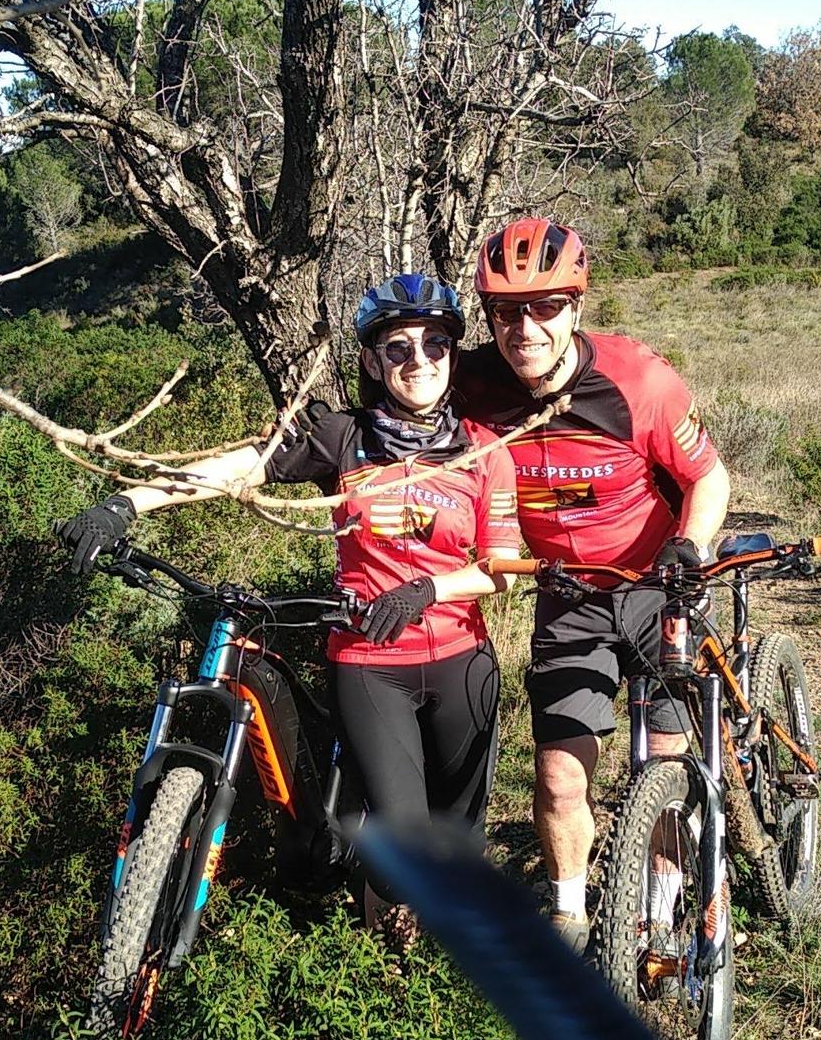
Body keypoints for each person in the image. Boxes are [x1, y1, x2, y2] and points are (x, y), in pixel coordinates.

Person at [53, 274, 522, 946]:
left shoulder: (483, 450)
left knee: (458, 837)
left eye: (435, 345)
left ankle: (422, 967)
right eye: (398, 348)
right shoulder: (343, 438)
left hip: (462, 662)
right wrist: (128, 503)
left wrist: (427, 590)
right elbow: (239, 467)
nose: (418, 361)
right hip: (369, 663)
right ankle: (385, 919)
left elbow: (499, 569)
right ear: (372, 362)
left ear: (452, 354)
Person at [453, 218, 731, 950]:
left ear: (575, 306)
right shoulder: (473, 387)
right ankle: (570, 916)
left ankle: (664, 913)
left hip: (657, 586)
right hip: (567, 597)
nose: (525, 329)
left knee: (669, 760)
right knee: (557, 776)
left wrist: (689, 547)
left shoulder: (638, 381)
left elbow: (708, 477)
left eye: (545, 307)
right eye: (506, 311)